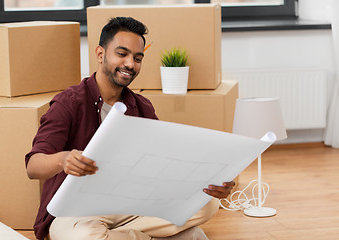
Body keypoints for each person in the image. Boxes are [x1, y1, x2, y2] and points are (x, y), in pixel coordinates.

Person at [25, 17, 235, 240]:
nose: (130, 64)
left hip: (131, 207)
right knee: (84, 236)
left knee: (208, 204)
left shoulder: (142, 107)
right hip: (78, 212)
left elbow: (164, 163)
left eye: (138, 58)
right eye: (121, 54)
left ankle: (117, 236)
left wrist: (210, 182)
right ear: (100, 54)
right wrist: (63, 160)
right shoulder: (69, 102)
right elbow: (33, 165)